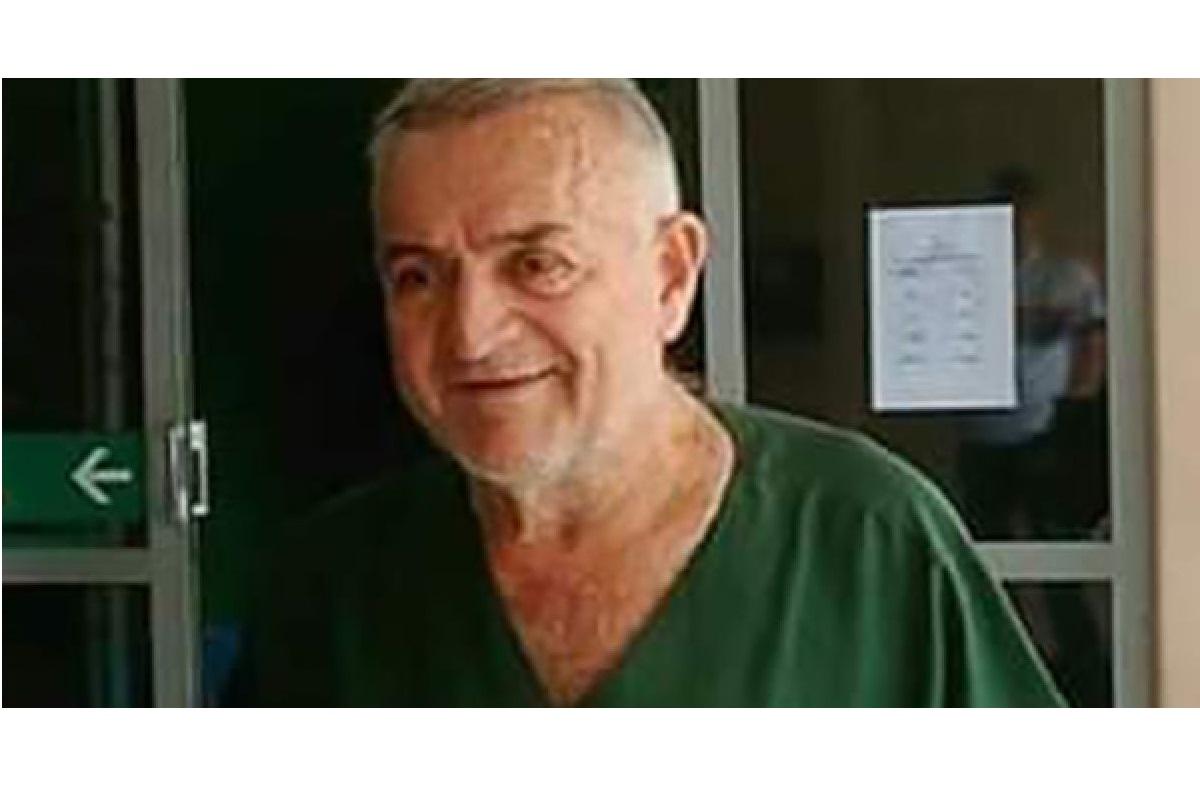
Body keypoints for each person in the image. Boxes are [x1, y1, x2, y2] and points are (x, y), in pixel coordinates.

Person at [240, 80, 1063, 707]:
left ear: (670, 276)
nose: (470, 335)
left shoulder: (870, 546)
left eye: (537, 264)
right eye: (419, 276)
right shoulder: (333, 595)